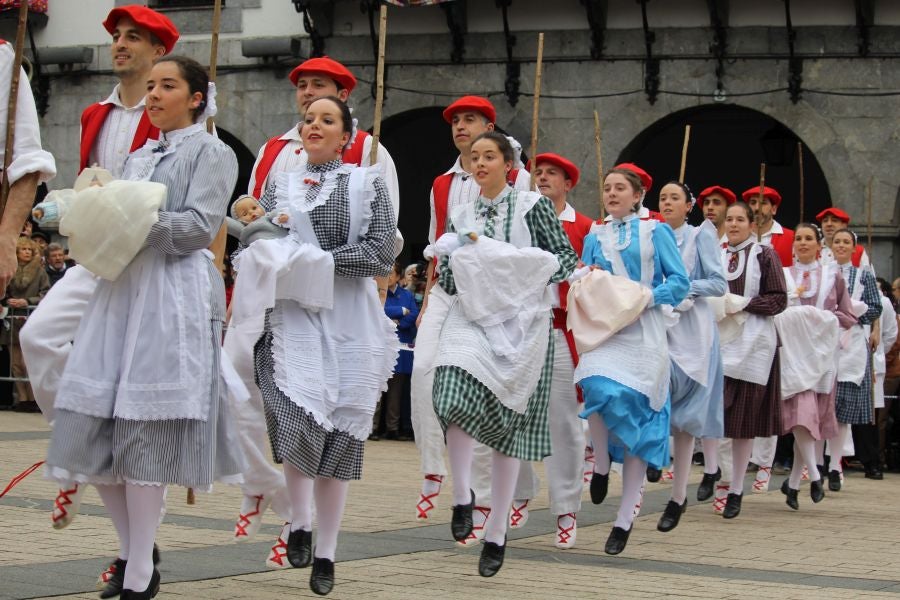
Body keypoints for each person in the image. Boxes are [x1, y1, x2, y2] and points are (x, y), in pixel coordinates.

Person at [43, 55, 242, 599]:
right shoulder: (137, 155)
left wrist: (130, 216)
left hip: (170, 296)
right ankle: (136, 554)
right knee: (97, 426)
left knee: (142, 430)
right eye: (150, 86)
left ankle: (137, 577)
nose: (153, 95)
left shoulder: (213, 152)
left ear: (196, 97)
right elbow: (112, 223)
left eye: (167, 86)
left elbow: (199, 228)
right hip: (121, 290)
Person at [227, 56, 402, 550]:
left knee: (340, 433)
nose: (314, 124)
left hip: (347, 315)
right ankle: (298, 523)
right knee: (291, 414)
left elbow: (380, 250)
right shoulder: (278, 181)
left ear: (346, 134)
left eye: (327, 119)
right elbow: (254, 239)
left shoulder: (366, 180)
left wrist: (313, 262)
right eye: (308, 118)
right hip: (290, 316)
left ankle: (325, 548)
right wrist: (252, 232)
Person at [20, 4, 178, 533]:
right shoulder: (95, 114)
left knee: (136, 406)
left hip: (146, 267)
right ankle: (76, 439)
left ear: (159, 52)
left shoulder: (176, 114)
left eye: (134, 37)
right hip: (94, 260)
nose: (120, 44)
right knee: (39, 337)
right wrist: (58, 205)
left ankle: (140, 550)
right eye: (116, 36)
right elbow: (93, 185)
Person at [432, 131, 577, 575]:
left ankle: (497, 530)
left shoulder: (532, 206)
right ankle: (462, 497)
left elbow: (565, 259)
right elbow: (449, 278)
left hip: (522, 323)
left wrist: (512, 267)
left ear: (508, 164)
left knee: (509, 424)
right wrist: (459, 266)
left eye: (488, 156)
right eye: (473, 157)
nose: (478, 163)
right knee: (448, 388)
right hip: (472, 317)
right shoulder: (461, 212)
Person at [411, 95, 536, 543]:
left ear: (490, 126)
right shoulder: (442, 184)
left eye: (471, 120)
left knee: (485, 391)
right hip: (447, 291)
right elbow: (436, 245)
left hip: (496, 298)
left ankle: (488, 496)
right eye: (456, 121)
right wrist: (428, 300)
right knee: (424, 372)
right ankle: (435, 474)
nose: (461, 127)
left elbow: (531, 245)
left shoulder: (520, 179)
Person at [577, 167, 689, 554]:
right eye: (606, 187)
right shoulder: (595, 233)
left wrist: (645, 299)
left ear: (638, 194)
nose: (611, 193)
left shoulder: (656, 231)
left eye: (619, 188)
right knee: (594, 383)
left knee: (639, 413)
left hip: (645, 328)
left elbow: (680, 282)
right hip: (608, 328)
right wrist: (586, 276)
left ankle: (624, 519)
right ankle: (603, 462)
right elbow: (585, 274)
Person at [654, 181, 726, 532]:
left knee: (685, 420)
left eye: (674, 198)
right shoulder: (652, 233)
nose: (667, 203)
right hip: (659, 326)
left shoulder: (701, 237)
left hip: (693, 330)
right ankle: (653, 454)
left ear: (689, 206)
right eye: (662, 198)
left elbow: (718, 282)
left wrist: (684, 287)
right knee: (653, 395)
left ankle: (678, 496)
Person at [532, 152, 593, 548]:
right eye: (537, 172)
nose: (542, 178)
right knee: (507, 415)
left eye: (551, 174)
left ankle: (566, 508)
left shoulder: (585, 227)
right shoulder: (520, 217)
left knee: (565, 423)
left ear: (567, 183)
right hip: (520, 329)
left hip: (561, 329)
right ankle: (517, 492)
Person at [777, 223, 856, 510]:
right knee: (802, 414)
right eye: (798, 238)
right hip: (793, 356)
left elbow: (847, 315)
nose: (802, 243)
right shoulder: (783, 275)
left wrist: (821, 320)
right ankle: (815, 473)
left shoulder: (832, 276)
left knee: (809, 423)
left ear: (819, 244)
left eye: (809, 238)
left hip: (821, 357)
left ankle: (796, 484)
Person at [718, 201, 787, 519]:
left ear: (751, 224)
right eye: (729, 219)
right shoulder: (717, 253)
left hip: (752, 346)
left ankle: (735, 490)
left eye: (739, 219)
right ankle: (716, 478)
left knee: (742, 424)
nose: (733, 224)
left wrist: (743, 303)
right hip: (718, 344)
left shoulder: (764, 254)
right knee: (714, 418)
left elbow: (778, 299)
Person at [826, 228, 882, 484]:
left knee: (843, 410)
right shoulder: (822, 270)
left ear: (853, 247)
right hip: (824, 342)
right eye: (837, 241)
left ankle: (836, 465)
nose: (841, 245)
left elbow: (875, 307)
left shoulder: (862, 275)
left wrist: (852, 313)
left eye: (845, 242)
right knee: (820, 406)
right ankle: (816, 464)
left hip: (850, 345)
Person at [371, 261, 419, 440]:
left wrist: (397, 319)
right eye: (386, 272)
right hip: (380, 343)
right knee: (376, 388)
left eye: (392, 273)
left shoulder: (407, 295)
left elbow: (414, 314)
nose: (389, 276)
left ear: (399, 276)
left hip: (401, 346)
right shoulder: (376, 293)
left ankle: (393, 428)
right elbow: (377, 311)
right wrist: (400, 311)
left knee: (396, 391)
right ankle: (373, 427)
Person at [4, 237, 49, 412]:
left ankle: (33, 398)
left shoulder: (40, 272)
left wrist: (27, 300)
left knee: (28, 362)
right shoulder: (9, 270)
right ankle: (22, 399)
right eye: (23, 249)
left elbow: (46, 294)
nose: (27, 253)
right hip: (12, 322)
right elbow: (3, 292)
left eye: (30, 250)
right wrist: (9, 300)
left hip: (32, 319)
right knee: (15, 363)